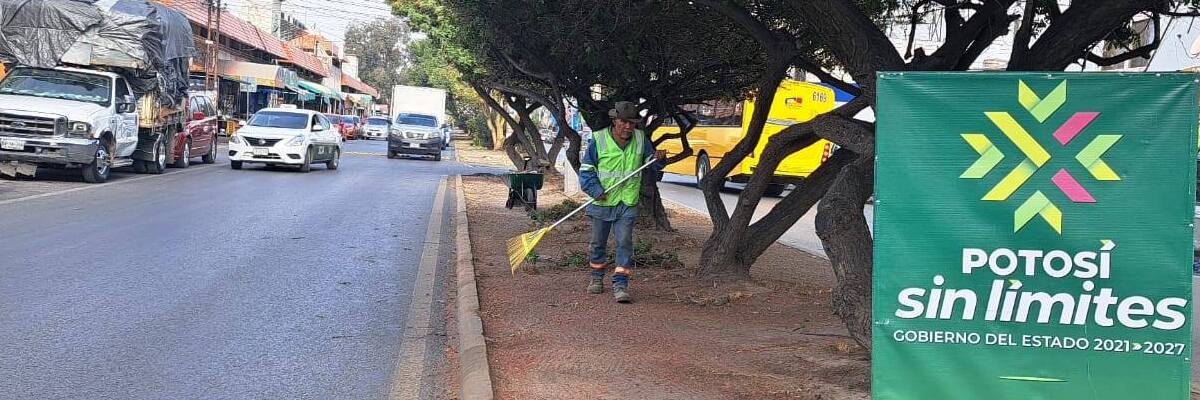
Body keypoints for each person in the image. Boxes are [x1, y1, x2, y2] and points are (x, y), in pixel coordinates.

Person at [578, 101, 666, 303]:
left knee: (624, 243)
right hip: (602, 202)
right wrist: (595, 190)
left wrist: (658, 159)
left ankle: (620, 284)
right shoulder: (599, 140)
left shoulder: (641, 139)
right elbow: (586, 171)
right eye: (623, 122)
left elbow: (651, 164)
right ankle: (596, 278)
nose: (627, 127)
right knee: (597, 243)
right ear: (615, 120)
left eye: (632, 123)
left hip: (626, 202)